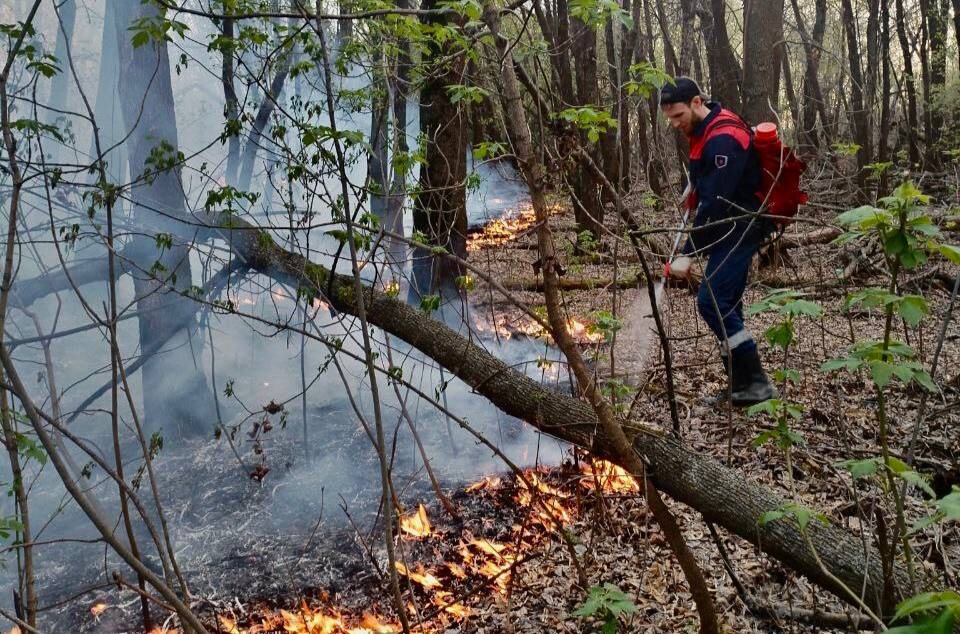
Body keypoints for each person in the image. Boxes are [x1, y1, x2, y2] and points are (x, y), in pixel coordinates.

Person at [659, 77, 774, 406]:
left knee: (712, 302)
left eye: (678, 115)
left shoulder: (723, 137)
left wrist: (688, 253)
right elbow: (707, 191)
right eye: (669, 118)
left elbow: (715, 203)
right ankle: (741, 388)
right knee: (727, 305)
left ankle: (757, 384)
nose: (674, 124)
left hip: (741, 227)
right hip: (729, 228)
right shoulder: (704, 132)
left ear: (697, 102)